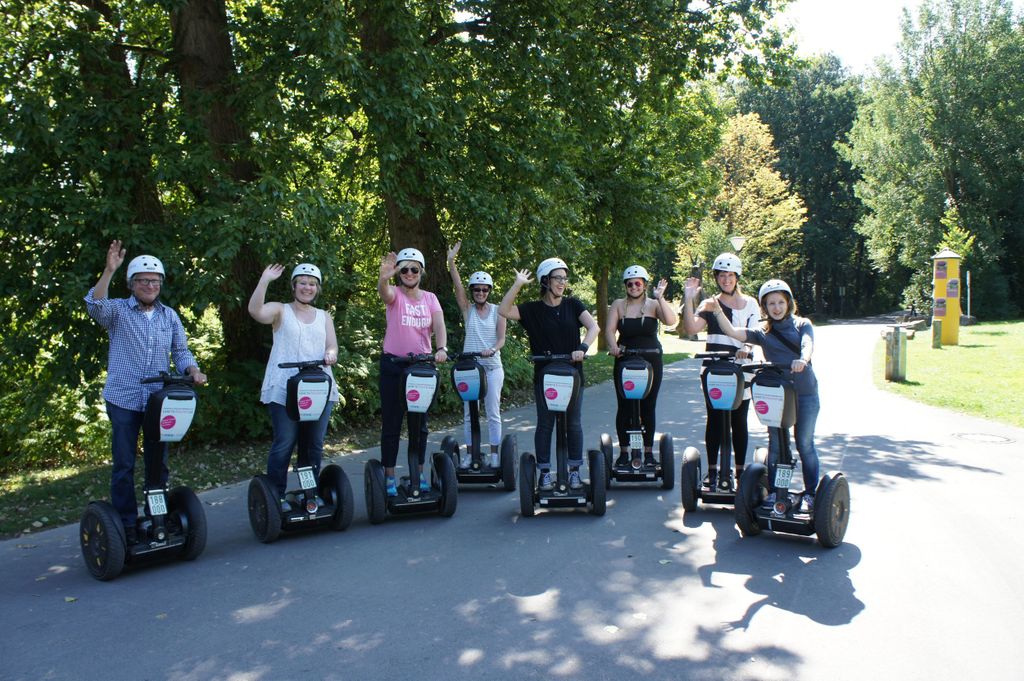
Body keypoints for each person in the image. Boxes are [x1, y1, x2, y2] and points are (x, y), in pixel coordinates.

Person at [84, 240, 208, 542]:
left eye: (154, 281)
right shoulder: (118, 312)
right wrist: (109, 270)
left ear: (160, 284)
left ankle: (157, 517)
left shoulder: (170, 316)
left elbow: (181, 351)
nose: (149, 285)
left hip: (158, 401)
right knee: (124, 462)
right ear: (132, 284)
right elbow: (94, 305)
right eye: (143, 280)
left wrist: (192, 370)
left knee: (158, 462)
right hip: (124, 398)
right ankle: (125, 525)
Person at [706, 279, 820, 512]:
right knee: (777, 445)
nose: (776, 308)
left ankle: (810, 494)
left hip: (804, 394)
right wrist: (717, 311)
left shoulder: (801, 324)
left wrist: (803, 360)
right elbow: (734, 332)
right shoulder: (763, 332)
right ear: (764, 307)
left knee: (804, 444)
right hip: (777, 395)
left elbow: (807, 345)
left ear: (788, 303)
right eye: (771, 304)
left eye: (780, 302)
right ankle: (779, 493)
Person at [498, 258, 599, 490]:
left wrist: (582, 349)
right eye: (557, 278)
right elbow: (503, 310)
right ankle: (544, 472)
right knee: (546, 424)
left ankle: (574, 470)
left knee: (573, 423)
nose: (562, 283)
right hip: (545, 375)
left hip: (573, 374)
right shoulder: (532, 310)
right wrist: (517, 284)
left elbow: (594, 327)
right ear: (545, 281)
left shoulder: (573, 305)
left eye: (564, 278)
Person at [248, 263, 340, 510]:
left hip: (319, 389)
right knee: (285, 442)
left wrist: (330, 354)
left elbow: (332, 345)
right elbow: (256, 311)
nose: (307, 287)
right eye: (302, 283)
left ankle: (310, 493)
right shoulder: (281, 310)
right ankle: (276, 495)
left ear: (317, 288)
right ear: (294, 286)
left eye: (312, 284)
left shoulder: (324, 316)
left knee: (313, 445)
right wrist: (265, 280)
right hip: (285, 389)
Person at [681, 252, 760, 491]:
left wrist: (745, 348)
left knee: (739, 421)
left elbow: (755, 333)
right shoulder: (710, 303)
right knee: (715, 420)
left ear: (737, 277)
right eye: (722, 276)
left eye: (730, 275)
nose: (726, 280)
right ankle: (713, 472)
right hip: (714, 370)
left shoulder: (751, 304)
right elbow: (691, 327)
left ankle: (739, 473)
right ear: (716, 278)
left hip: (741, 371)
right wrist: (689, 298)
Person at [378, 248, 449, 496]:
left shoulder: (430, 298)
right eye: (404, 269)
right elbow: (384, 293)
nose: (409, 273)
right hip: (393, 366)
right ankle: (388, 477)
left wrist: (441, 348)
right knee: (392, 423)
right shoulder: (395, 294)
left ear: (421, 272)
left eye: (414, 269)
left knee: (419, 425)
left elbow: (439, 324)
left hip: (421, 367)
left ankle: (418, 473)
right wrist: (384, 277)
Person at [605, 265, 677, 468]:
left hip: (651, 359)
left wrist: (661, 297)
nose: (634, 287)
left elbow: (671, 321)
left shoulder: (654, 305)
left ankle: (648, 453)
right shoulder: (619, 305)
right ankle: (624, 453)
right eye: (630, 284)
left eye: (638, 283)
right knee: (625, 407)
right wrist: (614, 347)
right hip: (625, 359)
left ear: (644, 285)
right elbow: (610, 331)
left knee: (648, 406)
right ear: (625, 286)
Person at [447, 241, 507, 468]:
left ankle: (493, 455)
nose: (480, 292)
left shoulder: (498, 311)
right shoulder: (467, 310)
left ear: (489, 291)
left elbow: (501, 339)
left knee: (492, 411)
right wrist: (451, 261)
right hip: (470, 369)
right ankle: (471, 455)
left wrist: (493, 348)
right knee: (469, 413)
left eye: (484, 289)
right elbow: (457, 286)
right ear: (472, 292)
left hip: (491, 367)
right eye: (476, 289)